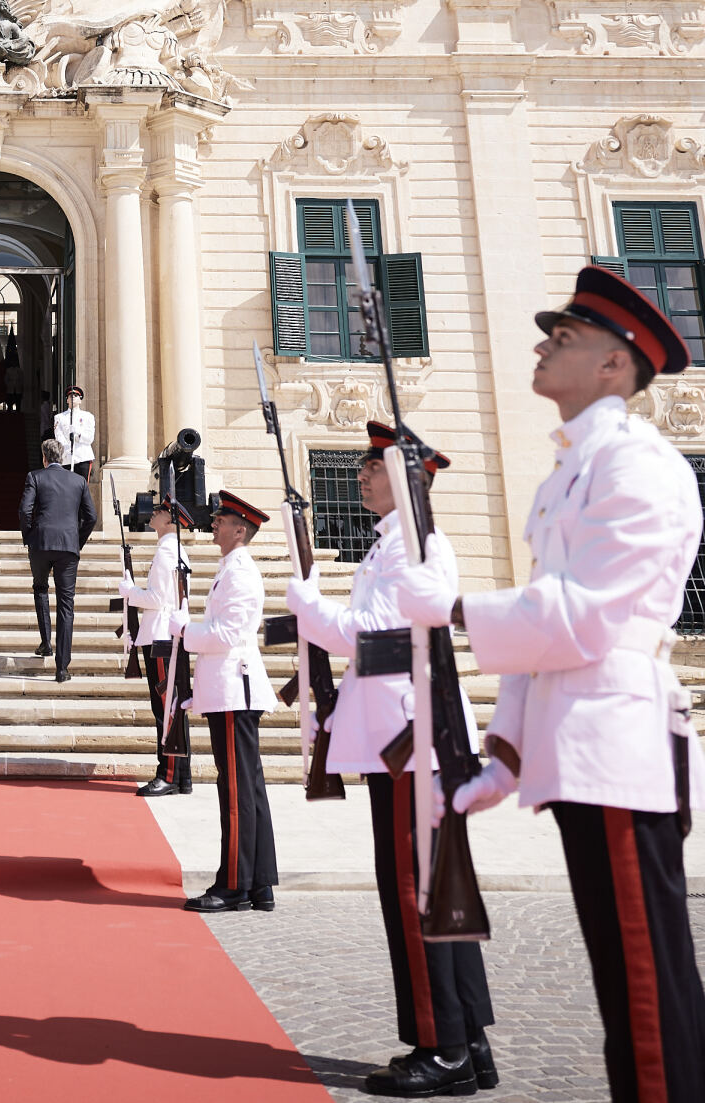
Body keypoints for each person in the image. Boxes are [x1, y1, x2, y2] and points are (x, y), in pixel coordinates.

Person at [396, 267, 705, 1103]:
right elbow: (543, 645)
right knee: (621, 984)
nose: (540, 344)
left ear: (615, 364)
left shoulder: (638, 465)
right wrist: (504, 755)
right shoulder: (572, 469)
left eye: (563, 338)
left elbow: (583, 617)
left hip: (620, 747)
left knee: (647, 989)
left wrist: (456, 605)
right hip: (579, 749)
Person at [287, 423, 497, 1097]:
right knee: (434, 889)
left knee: (416, 892)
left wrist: (309, 609)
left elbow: (372, 637)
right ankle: (468, 1040)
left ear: (406, 476)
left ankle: (443, 1046)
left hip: (413, 737)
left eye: (370, 466)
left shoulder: (416, 544)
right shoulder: (394, 544)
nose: (360, 475)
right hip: (400, 736)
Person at [179, 488, 278, 914]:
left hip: (234, 691)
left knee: (237, 791)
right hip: (229, 691)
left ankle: (234, 885)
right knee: (247, 788)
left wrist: (186, 633)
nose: (214, 523)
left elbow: (226, 635)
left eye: (222, 520)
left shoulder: (239, 572)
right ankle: (259, 884)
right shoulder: (229, 568)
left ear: (241, 530)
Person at [120, 495, 194, 797]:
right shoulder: (174, 551)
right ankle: (182, 776)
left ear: (170, 521)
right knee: (172, 707)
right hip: (168, 636)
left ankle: (168, 775)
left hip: (162, 639)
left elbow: (157, 599)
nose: (154, 513)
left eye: (160, 511)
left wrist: (131, 592)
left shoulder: (166, 553)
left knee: (166, 710)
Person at [19, 438, 96, 681]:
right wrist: (77, 540)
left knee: (40, 588)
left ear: (44, 457)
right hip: (68, 548)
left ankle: (46, 642)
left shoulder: (35, 476)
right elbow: (91, 516)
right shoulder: (79, 480)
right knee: (66, 604)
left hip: (41, 544)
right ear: (61, 457)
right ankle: (62, 667)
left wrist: (29, 536)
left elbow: (24, 510)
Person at [52, 385, 96, 482]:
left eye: (76, 395)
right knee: (66, 488)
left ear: (80, 400)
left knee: (82, 487)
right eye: (70, 396)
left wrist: (77, 436)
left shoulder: (88, 416)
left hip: (82, 457)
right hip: (66, 457)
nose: (73, 397)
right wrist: (68, 449)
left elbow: (89, 438)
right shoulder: (59, 417)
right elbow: (59, 437)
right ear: (67, 400)